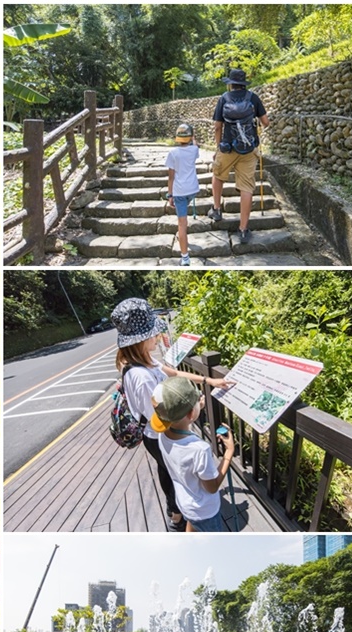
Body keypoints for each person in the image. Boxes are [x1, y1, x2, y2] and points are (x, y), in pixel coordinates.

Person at [112, 298, 236, 532]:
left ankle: (179, 513)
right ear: (140, 339)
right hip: (157, 433)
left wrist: (209, 380)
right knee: (171, 473)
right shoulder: (140, 376)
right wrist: (193, 409)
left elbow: (175, 373)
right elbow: (162, 416)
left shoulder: (145, 361)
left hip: (164, 431)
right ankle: (176, 516)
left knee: (171, 471)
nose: (157, 337)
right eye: (153, 334)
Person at [153, 376, 234, 532]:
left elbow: (180, 423)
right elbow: (212, 487)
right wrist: (229, 452)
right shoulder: (199, 449)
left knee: (192, 524)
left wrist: (195, 408)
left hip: (184, 502)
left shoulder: (162, 435)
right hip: (204, 512)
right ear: (190, 414)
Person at [208, 68, 270, 246]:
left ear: (230, 83)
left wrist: (218, 146)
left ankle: (217, 209)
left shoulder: (224, 99)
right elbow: (265, 123)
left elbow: (217, 127)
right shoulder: (253, 98)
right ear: (244, 83)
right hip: (248, 150)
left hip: (227, 147)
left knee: (218, 175)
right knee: (247, 187)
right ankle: (243, 229)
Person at [165, 122, 200, 265]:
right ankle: (184, 239)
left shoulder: (173, 153)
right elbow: (195, 144)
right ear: (190, 138)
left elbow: (171, 177)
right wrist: (193, 137)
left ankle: (185, 257)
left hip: (179, 192)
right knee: (184, 218)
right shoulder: (194, 150)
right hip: (192, 190)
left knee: (182, 224)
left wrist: (170, 195)